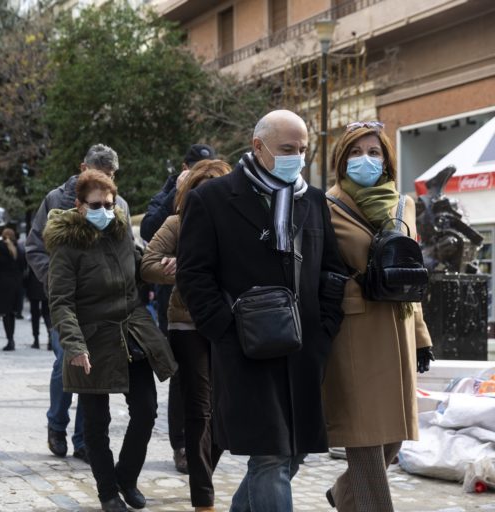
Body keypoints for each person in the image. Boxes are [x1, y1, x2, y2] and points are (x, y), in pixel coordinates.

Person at [177, 110, 347, 512]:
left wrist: (325, 328)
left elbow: (333, 270)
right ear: (258, 146)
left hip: (304, 351)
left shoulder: (313, 199)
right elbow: (193, 275)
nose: (298, 157)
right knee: (269, 455)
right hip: (247, 350)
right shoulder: (213, 199)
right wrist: (224, 330)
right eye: (288, 149)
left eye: (303, 149)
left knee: (292, 454)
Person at [45, 170, 177, 512]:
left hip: (131, 332)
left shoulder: (120, 233)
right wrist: (73, 345)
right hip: (91, 339)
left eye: (109, 203)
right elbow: (61, 301)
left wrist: (162, 269)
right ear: (78, 205)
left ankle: (126, 476)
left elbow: (138, 269)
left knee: (146, 411)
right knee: (96, 423)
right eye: (96, 204)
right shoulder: (66, 244)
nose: (105, 210)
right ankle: (107, 492)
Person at [322, 121, 434, 511]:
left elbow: (410, 274)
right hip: (354, 331)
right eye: (355, 152)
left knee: (392, 439)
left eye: (373, 152)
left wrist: (420, 336)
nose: (364, 160)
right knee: (366, 439)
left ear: (386, 159)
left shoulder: (403, 204)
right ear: (340, 159)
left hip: (398, 327)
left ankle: (342, 494)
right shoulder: (325, 204)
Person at [26, 144, 132, 463]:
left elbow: (127, 249)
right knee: (65, 361)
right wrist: (56, 279)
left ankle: (84, 439)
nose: (106, 179)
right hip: (67, 303)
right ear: (83, 167)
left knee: (94, 369)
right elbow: (34, 248)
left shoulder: (119, 204)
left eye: (111, 175)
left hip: (105, 307)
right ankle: (57, 424)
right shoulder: (55, 200)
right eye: (100, 172)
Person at [141, 159, 231, 512]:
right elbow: (148, 265)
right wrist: (178, 269)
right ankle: (203, 496)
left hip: (229, 324)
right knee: (200, 410)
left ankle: (203, 469)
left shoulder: (236, 226)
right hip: (187, 324)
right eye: (200, 188)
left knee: (225, 409)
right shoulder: (177, 224)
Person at [0, 228, 26, 351]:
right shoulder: (19, 248)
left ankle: (10, 340)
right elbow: (24, 267)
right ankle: (11, 338)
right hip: (16, 285)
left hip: (2, 285)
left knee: (5, 314)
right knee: (12, 314)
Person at [25, 267, 51, 349]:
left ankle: (36, 340)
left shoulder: (32, 254)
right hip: (46, 285)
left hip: (33, 285)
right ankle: (50, 337)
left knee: (35, 315)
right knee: (47, 314)